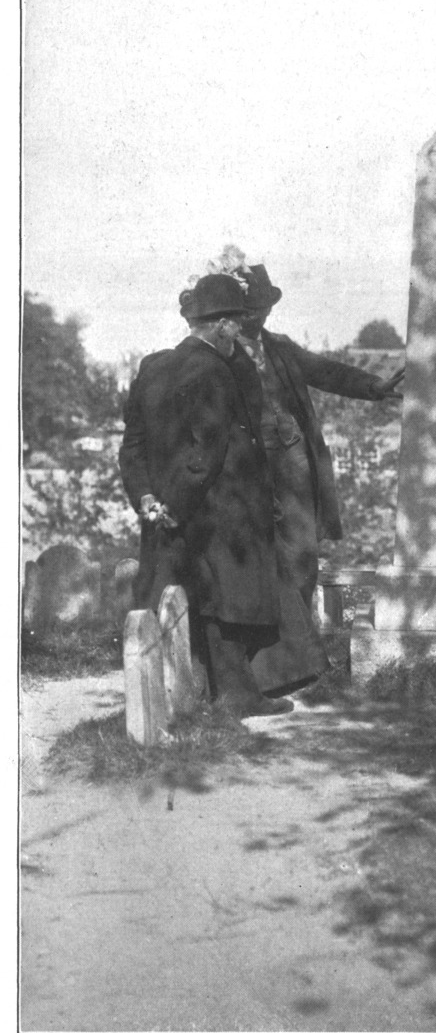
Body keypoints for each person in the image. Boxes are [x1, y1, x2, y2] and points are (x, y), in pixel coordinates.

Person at [118, 273, 293, 717]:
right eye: (236, 322)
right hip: (208, 505)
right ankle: (237, 695)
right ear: (223, 326)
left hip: (162, 509)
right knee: (223, 597)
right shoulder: (216, 371)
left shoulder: (153, 367)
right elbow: (206, 451)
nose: (239, 330)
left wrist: (147, 500)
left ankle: (191, 694)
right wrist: (175, 506)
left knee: (180, 595)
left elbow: (132, 445)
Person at [207, 250, 403, 621]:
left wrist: (374, 386)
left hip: (294, 461)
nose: (256, 316)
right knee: (253, 553)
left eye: (262, 308)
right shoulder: (219, 355)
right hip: (249, 468)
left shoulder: (280, 348)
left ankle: (301, 639)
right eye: (248, 309)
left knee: (301, 550)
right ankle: (270, 641)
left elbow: (327, 372)